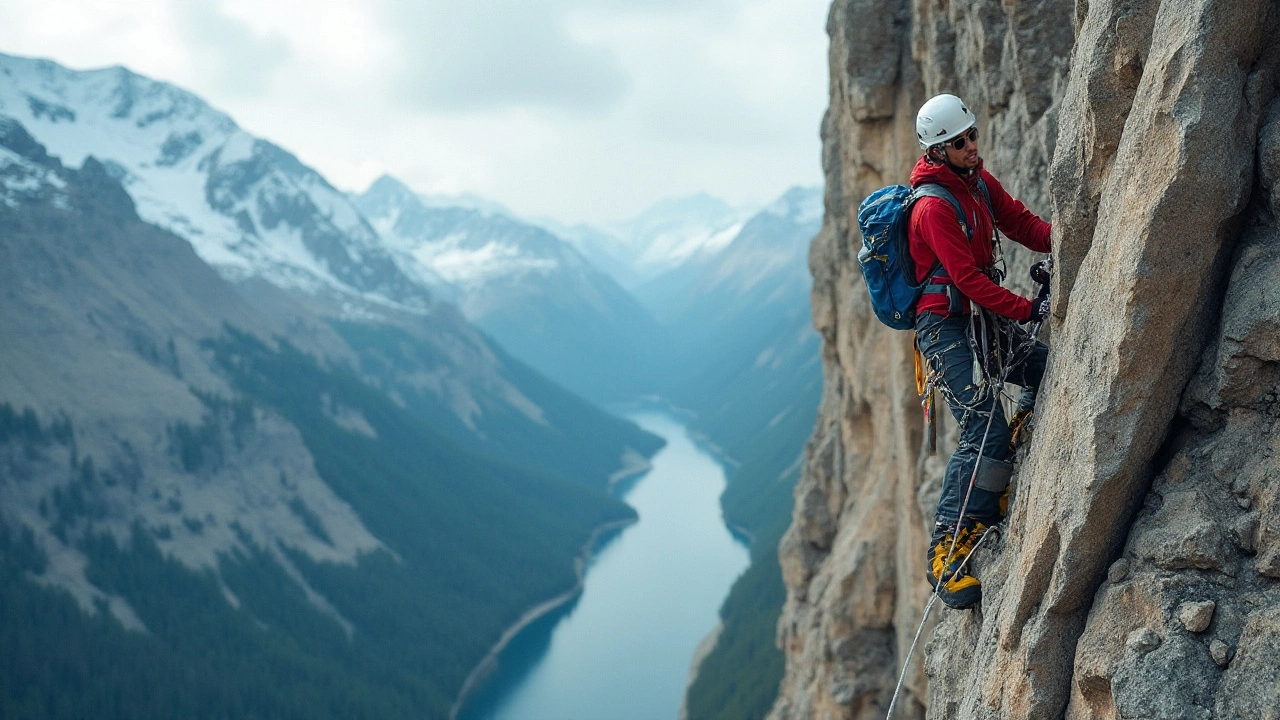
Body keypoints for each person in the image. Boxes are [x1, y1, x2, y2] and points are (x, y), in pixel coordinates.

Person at [909, 93, 1051, 609]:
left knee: (1040, 369)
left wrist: (1065, 238)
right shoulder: (931, 208)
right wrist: (1027, 310)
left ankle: (1007, 454)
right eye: (959, 143)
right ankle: (947, 547)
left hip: (975, 317)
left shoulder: (976, 183)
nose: (972, 146)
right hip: (943, 327)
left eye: (972, 135)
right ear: (937, 151)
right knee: (981, 422)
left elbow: (1019, 222)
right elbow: (966, 279)